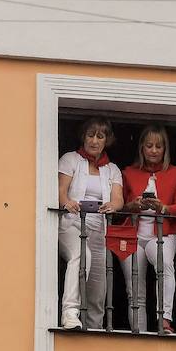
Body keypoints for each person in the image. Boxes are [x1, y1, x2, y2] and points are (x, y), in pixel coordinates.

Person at [119, 125, 176, 334]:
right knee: (135, 288)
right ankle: (138, 331)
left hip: (163, 234)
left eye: (159, 146)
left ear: (165, 149)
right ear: (141, 147)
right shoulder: (128, 173)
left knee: (165, 265)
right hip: (133, 235)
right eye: (149, 145)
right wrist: (133, 205)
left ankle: (165, 320)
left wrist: (163, 207)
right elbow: (118, 205)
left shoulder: (175, 173)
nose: (154, 150)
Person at [57, 116, 123, 330]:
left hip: (99, 230)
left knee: (98, 283)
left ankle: (94, 327)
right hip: (72, 224)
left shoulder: (111, 169)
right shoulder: (71, 159)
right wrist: (67, 202)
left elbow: (118, 199)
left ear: (107, 140)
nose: (94, 140)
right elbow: (60, 192)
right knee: (81, 255)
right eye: (90, 135)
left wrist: (112, 206)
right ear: (83, 137)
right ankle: (69, 313)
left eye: (100, 136)